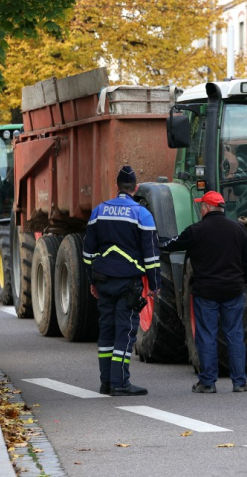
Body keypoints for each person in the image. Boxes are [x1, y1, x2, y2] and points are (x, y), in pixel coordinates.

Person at [160, 191, 247, 393]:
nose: (200, 209)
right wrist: (243, 282)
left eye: (201, 206)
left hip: (206, 292)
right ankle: (239, 382)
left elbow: (171, 245)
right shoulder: (237, 229)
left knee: (207, 336)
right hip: (232, 290)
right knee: (235, 335)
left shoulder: (196, 230)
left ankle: (208, 382)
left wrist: (154, 240)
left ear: (206, 208)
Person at [83, 165, 159, 397]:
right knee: (125, 332)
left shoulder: (98, 212)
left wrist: (92, 281)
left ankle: (106, 382)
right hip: (129, 284)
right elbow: (152, 256)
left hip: (104, 281)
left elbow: (87, 253)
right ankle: (120, 383)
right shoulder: (142, 214)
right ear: (135, 188)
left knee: (106, 332)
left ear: (117, 187)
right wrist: (154, 285)